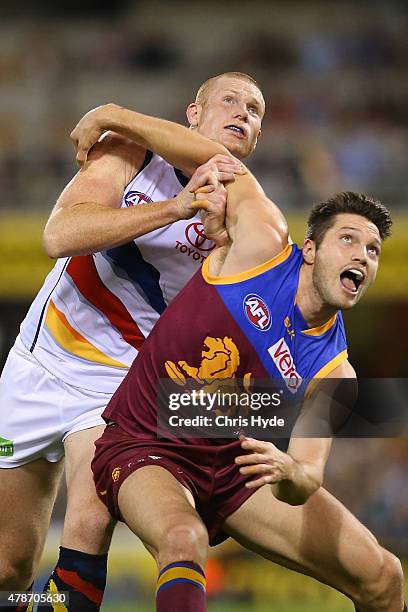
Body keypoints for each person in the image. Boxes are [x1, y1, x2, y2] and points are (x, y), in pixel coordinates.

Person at [72, 106, 405, 612]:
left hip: (237, 469)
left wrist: (292, 473)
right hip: (147, 442)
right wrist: (113, 115)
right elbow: (214, 156)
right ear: (310, 249)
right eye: (349, 239)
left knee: (384, 575)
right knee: (184, 539)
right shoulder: (261, 244)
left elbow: (307, 476)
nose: (363, 255)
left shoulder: (337, 372)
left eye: (375, 250)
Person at [0, 72, 265, 612]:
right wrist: (175, 207)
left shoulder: (250, 220)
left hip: (117, 387)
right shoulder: (130, 155)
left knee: (89, 523)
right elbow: (60, 236)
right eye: (230, 100)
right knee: (10, 565)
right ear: (193, 114)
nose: (243, 112)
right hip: (38, 362)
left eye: (256, 110)